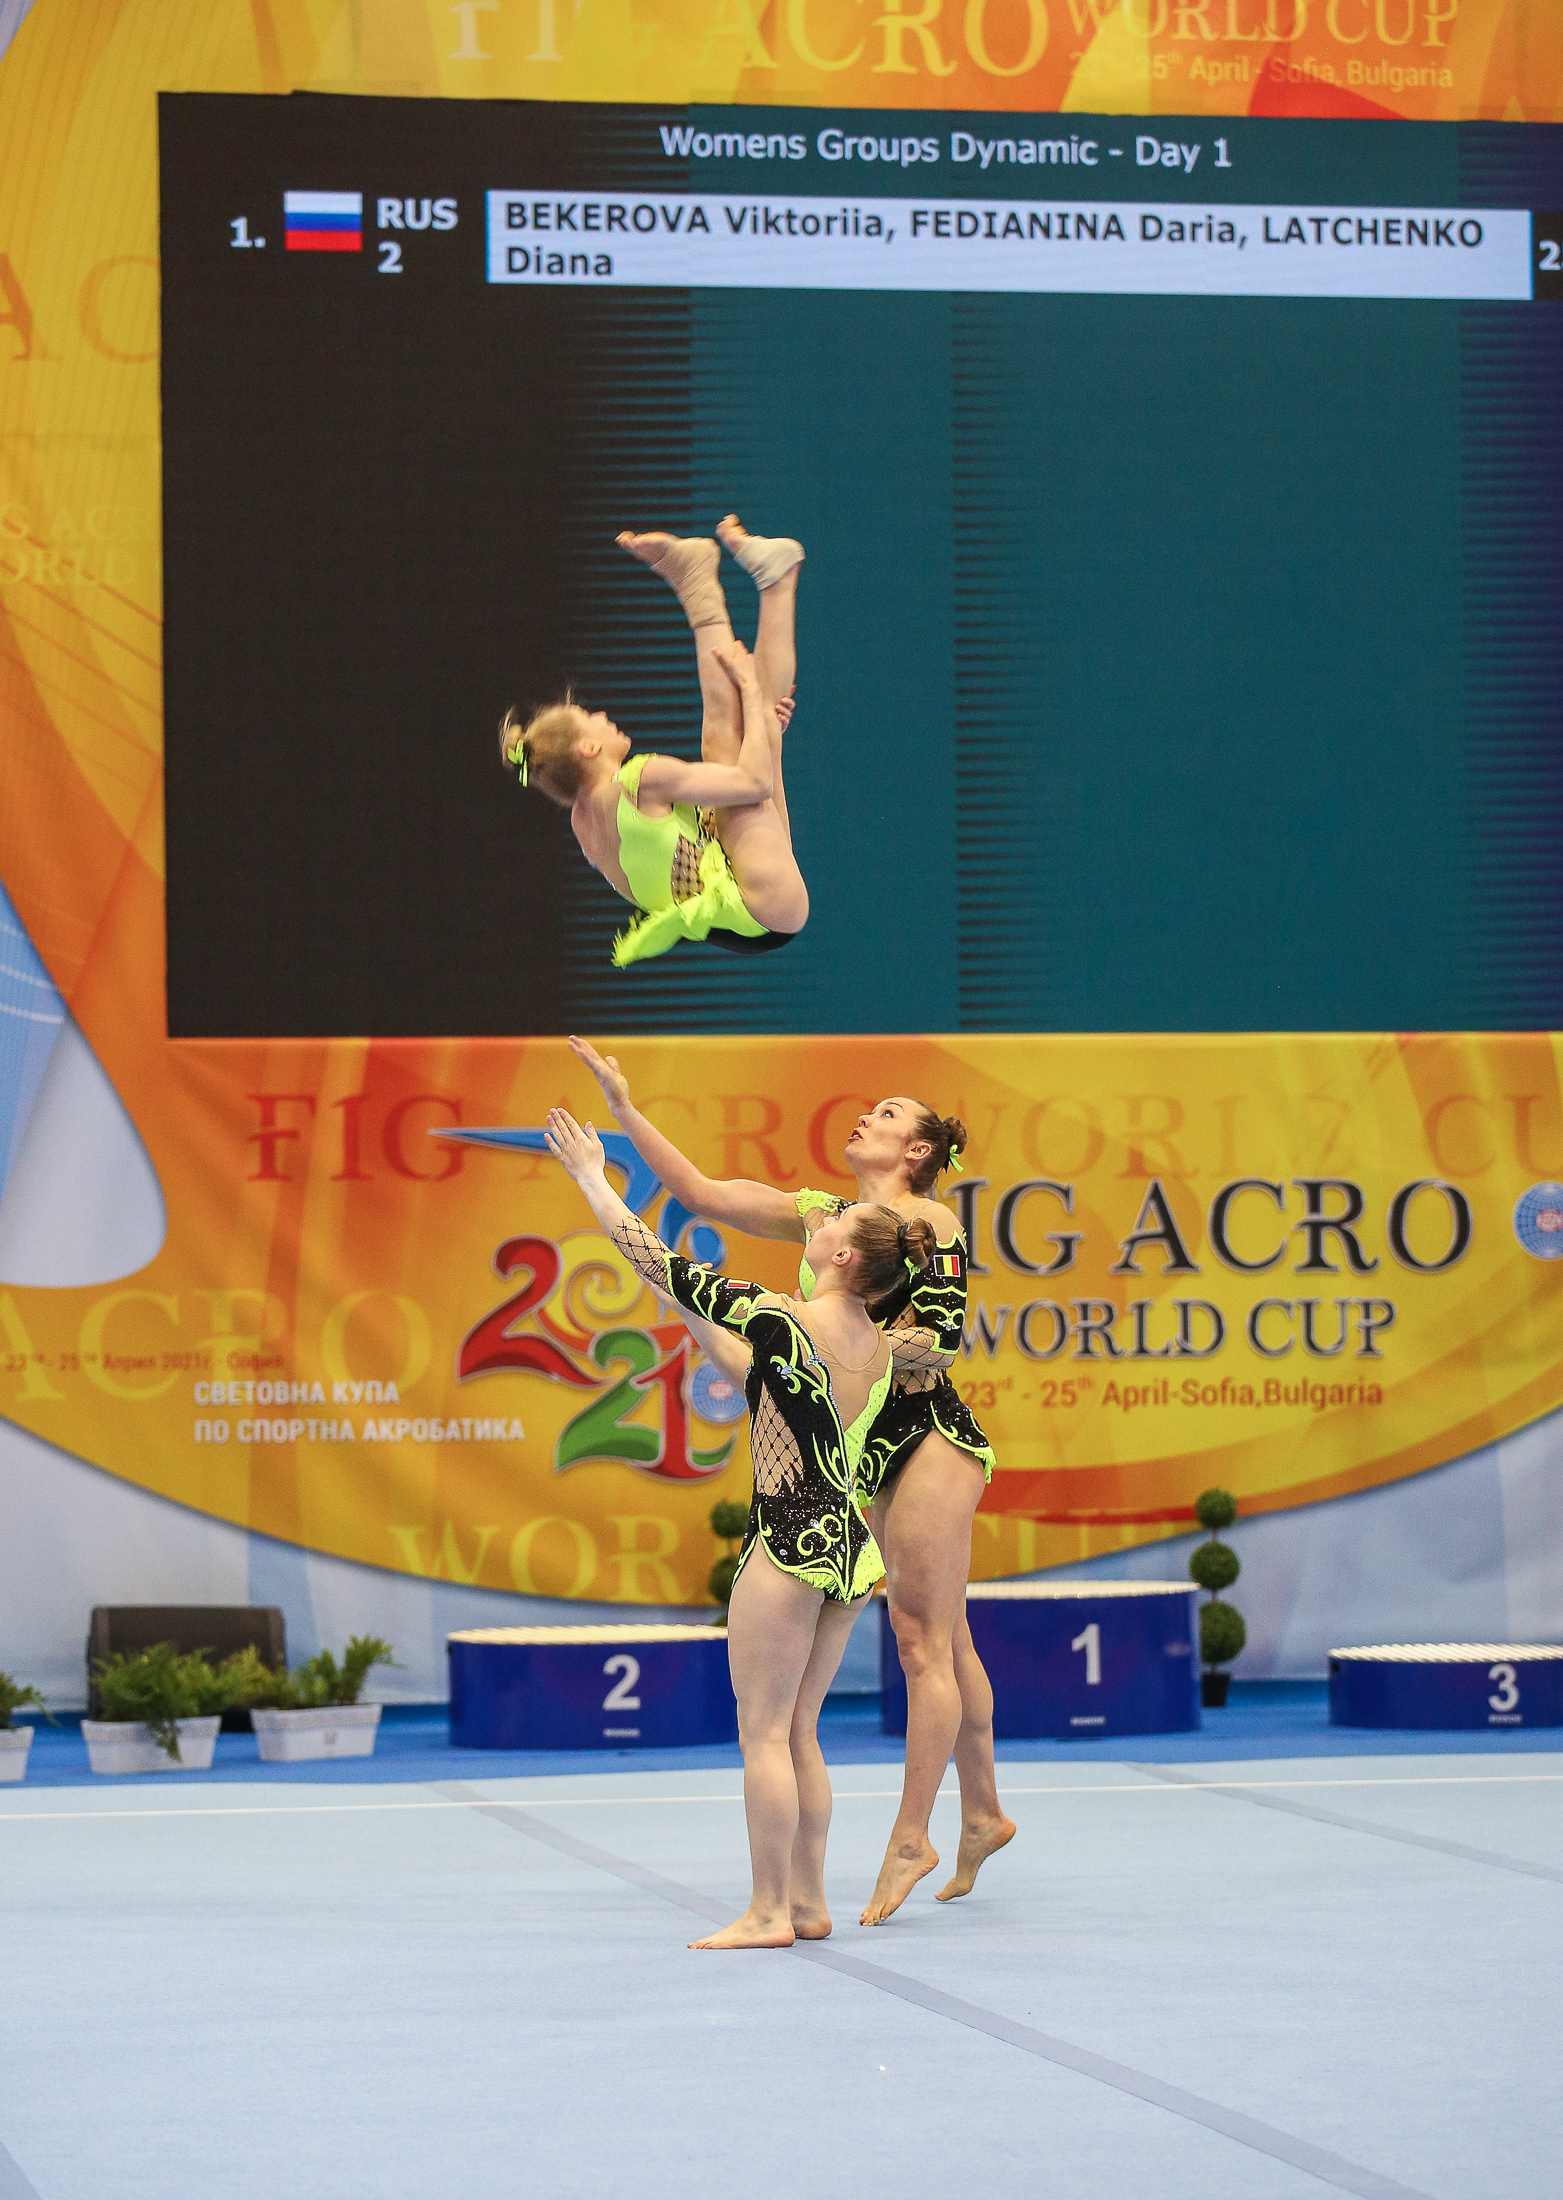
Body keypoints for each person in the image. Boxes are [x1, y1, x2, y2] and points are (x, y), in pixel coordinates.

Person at [567, 1042, 1016, 1925]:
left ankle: (912, 1835)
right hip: (857, 1432)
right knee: (943, 1637)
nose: (867, 1115)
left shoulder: (925, 1222)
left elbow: (942, 1342)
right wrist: (623, 1109)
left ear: (918, 1150)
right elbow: (700, 1193)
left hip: (922, 1426)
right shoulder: (828, 1216)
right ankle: (983, 1812)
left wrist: (833, 1348)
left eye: (889, 1113)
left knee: (923, 1640)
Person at [500, 519, 807, 965]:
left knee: (741, 739)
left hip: (751, 915)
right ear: (587, 749)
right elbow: (755, 782)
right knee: (729, 739)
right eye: (590, 718)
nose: (602, 716)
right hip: (761, 899)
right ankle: (710, 583)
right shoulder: (640, 780)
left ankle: (762, 581)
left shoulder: (584, 822)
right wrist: (751, 692)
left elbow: (684, 850)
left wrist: (766, 737)